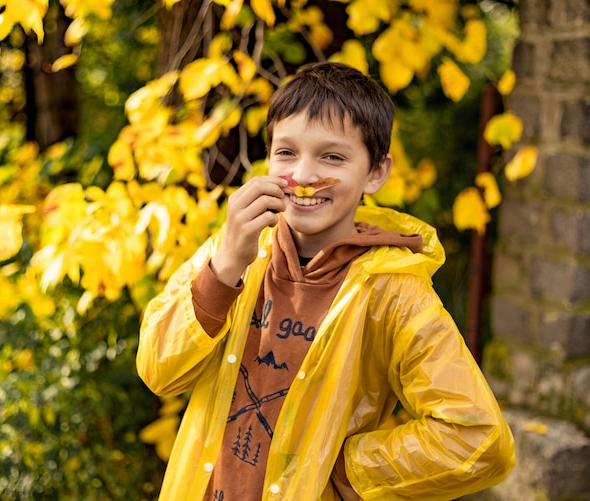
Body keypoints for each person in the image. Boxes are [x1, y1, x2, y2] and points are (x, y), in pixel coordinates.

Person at [136, 61, 515, 500]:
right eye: (286, 152)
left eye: (332, 156)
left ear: (376, 172)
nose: (303, 175)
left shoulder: (394, 291)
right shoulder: (234, 250)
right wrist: (223, 269)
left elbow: (478, 438)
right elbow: (157, 371)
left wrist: (344, 469)